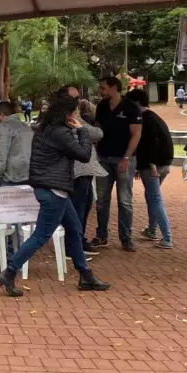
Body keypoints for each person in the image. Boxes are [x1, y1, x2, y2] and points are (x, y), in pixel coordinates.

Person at [0, 95, 111, 297]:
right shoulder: (61, 133)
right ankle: (10, 271)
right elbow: (84, 155)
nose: (76, 115)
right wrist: (82, 130)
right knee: (41, 235)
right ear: (68, 113)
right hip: (54, 190)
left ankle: (85, 274)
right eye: (74, 112)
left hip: (48, 187)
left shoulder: (45, 129)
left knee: (74, 229)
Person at [92, 76, 142, 251]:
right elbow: (97, 130)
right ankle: (101, 235)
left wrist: (127, 158)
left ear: (114, 88)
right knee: (102, 199)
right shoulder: (102, 106)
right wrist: (95, 153)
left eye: (103, 88)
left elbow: (136, 134)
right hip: (104, 158)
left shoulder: (131, 107)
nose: (101, 91)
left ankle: (126, 237)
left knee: (125, 200)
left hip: (124, 159)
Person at [126, 88, 174, 249]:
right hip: (162, 163)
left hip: (154, 166)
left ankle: (167, 236)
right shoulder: (154, 117)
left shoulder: (145, 120)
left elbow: (151, 143)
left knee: (155, 199)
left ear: (136, 104)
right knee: (151, 197)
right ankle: (152, 230)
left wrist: (151, 164)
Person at [72, 100, 107, 256]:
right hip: (78, 171)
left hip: (85, 171)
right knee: (78, 208)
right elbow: (97, 133)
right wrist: (83, 128)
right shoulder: (72, 121)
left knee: (85, 205)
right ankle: (74, 244)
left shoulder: (78, 120)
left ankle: (79, 240)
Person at [0, 101, 32, 186]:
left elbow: (1, 158)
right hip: (29, 175)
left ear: (1, 115)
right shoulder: (27, 127)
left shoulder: (4, 127)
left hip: (12, 177)